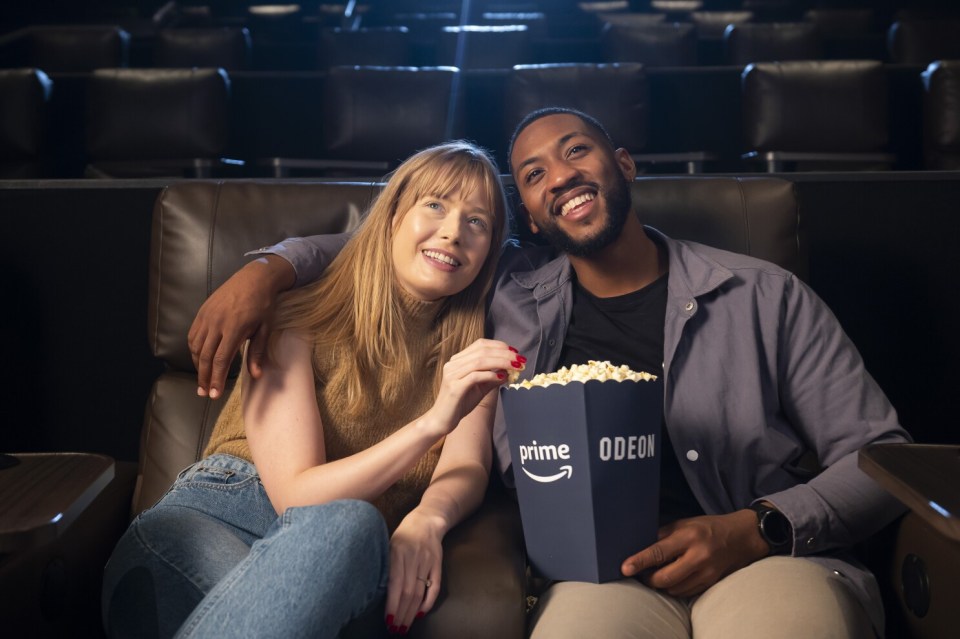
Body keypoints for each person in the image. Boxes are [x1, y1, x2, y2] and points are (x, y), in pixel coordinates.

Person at [188, 109, 911, 639]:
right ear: (530, 219)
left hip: (767, 556)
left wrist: (756, 528)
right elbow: (382, 246)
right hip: (606, 577)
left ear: (621, 165)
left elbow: (882, 459)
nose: (559, 175)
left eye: (577, 152)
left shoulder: (764, 293)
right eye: (533, 174)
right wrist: (268, 268)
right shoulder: (510, 292)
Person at [101, 141, 519, 639]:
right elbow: (301, 498)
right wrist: (433, 422)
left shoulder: (473, 352)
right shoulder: (297, 316)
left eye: (477, 222)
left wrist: (429, 517)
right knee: (350, 523)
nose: (453, 232)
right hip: (199, 533)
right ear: (392, 220)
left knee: (354, 534)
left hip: (341, 572)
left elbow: (465, 466)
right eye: (435, 205)